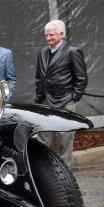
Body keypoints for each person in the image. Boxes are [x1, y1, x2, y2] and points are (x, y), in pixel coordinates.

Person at [35, 19, 88, 167]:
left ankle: (65, 173)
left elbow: (82, 78)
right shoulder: (43, 52)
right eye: (46, 35)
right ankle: (44, 170)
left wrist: (73, 99)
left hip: (65, 101)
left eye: (51, 35)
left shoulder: (73, 52)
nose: (48, 38)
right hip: (45, 102)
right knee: (44, 138)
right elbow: (39, 77)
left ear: (61, 34)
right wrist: (39, 98)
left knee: (65, 139)